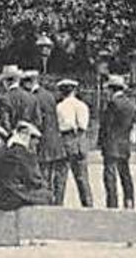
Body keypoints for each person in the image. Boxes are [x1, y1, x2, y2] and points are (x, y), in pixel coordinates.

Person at [0, 121, 52, 210]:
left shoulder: (3, 150)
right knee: (47, 195)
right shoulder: (24, 154)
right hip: (13, 196)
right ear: (29, 138)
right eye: (35, 142)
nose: (35, 146)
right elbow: (34, 180)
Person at [51, 78, 93, 207]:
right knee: (82, 176)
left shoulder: (59, 107)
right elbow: (84, 125)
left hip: (65, 139)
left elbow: (58, 125)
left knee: (61, 175)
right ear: (74, 90)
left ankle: (58, 203)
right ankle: (87, 203)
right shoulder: (82, 106)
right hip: (80, 139)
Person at [98, 74, 136, 209]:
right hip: (124, 143)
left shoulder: (113, 104)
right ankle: (129, 200)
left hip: (112, 143)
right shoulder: (130, 104)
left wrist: (101, 140)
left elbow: (107, 125)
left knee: (110, 175)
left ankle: (112, 202)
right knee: (125, 174)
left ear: (112, 89)